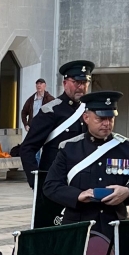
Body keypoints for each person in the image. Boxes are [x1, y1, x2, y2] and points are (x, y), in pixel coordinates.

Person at [42, 88, 129, 237]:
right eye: (101, 119)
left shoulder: (125, 148)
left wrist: (127, 191)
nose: (107, 123)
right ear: (86, 118)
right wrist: (78, 195)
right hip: (79, 226)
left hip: (114, 226)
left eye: (110, 118)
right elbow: (50, 185)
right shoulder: (69, 148)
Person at [19, 60, 93, 192]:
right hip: (56, 184)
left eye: (84, 82)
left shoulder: (90, 111)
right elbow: (28, 148)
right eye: (76, 82)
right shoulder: (51, 110)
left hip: (82, 184)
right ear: (65, 83)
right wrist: (37, 182)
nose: (81, 87)